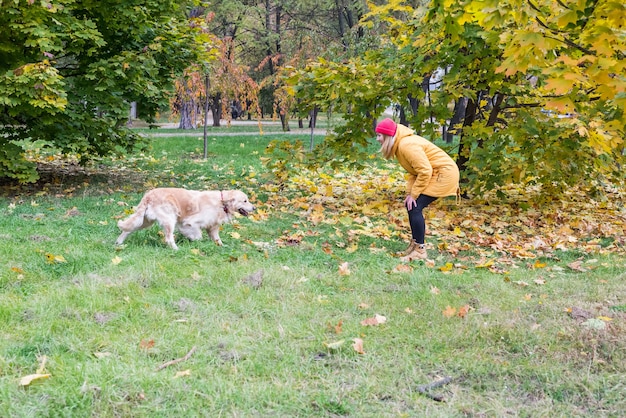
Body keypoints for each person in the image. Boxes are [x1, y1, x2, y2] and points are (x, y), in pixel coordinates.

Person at [375, 118, 459, 261]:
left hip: (443, 174)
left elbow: (425, 171)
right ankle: (415, 244)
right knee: (411, 205)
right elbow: (414, 172)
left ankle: (420, 250)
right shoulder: (400, 145)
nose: (377, 139)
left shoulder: (406, 145)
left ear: (388, 136)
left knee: (415, 206)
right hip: (435, 173)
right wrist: (410, 194)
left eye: (379, 136)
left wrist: (414, 195)